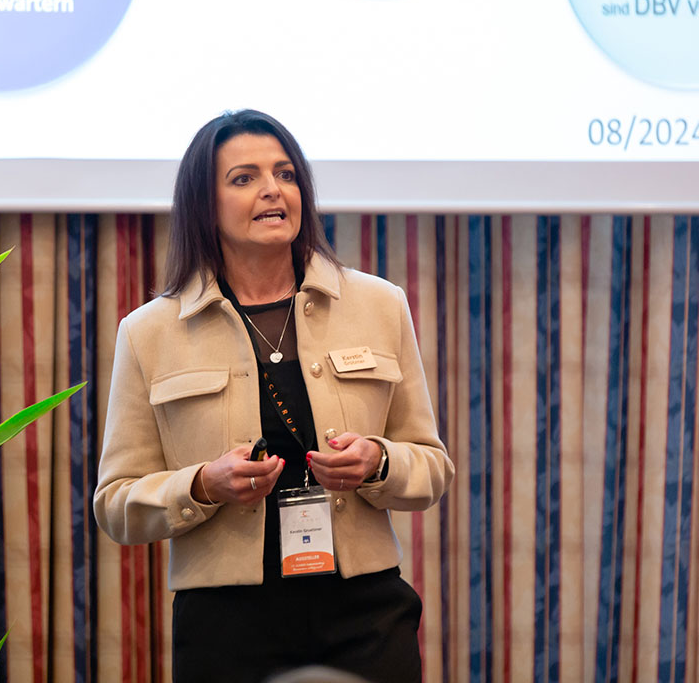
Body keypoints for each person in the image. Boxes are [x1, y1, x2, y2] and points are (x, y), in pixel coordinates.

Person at [94, 110, 453, 683]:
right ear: (204, 205)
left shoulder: (378, 304)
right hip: (226, 627)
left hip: (365, 616)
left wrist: (378, 462)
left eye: (285, 174)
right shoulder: (149, 331)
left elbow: (432, 467)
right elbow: (116, 505)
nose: (272, 189)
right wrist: (202, 485)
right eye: (244, 178)